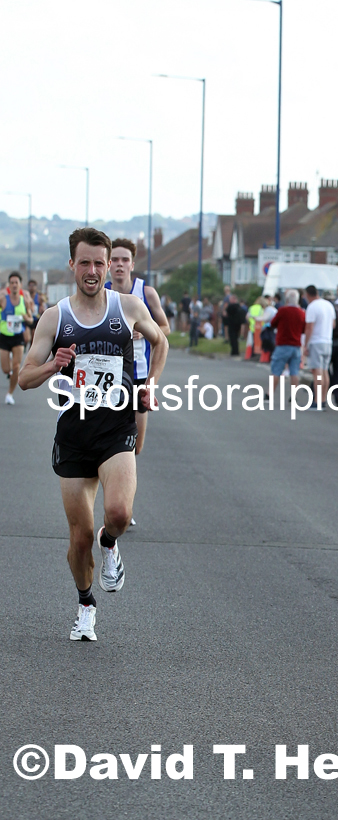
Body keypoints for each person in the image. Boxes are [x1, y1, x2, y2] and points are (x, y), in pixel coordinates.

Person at [19, 227, 168, 642]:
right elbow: (25, 378)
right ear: (72, 265)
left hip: (117, 426)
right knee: (78, 537)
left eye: (99, 263)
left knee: (118, 513)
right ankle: (85, 604)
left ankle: (111, 540)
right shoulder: (56, 317)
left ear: (109, 266)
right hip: (74, 433)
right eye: (84, 262)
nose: (92, 270)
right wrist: (53, 365)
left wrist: (150, 383)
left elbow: (162, 342)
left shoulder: (129, 307)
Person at [105, 238, 170, 456]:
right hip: (109, 374)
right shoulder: (100, 293)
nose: (119, 264)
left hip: (139, 373)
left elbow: (165, 328)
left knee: (136, 449)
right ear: (107, 264)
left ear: (132, 265)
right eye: (114, 260)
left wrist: (144, 331)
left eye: (125, 260)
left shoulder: (146, 292)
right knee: (106, 444)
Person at [0, 272, 33, 404]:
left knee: (16, 367)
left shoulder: (24, 301)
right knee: (6, 369)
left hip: (18, 336)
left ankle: (10, 393)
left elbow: (31, 320)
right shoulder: (3, 299)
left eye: (16, 283)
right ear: (9, 285)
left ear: (20, 285)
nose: (14, 285)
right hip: (4, 336)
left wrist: (26, 318)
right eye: (12, 283)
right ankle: (9, 369)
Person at [268, 289, 306, 398]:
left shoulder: (282, 311)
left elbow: (273, 323)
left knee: (276, 370)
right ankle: (294, 396)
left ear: (287, 299)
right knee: (294, 372)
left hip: (283, 344)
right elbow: (303, 329)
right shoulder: (301, 313)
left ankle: (269, 393)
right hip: (296, 345)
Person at [304, 285, 336, 410]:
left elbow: (309, 327)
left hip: (316, 341)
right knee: (324, 371)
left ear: (308, 295)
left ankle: (316, 401)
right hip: (328, 341)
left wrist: (306, 344)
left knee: (317, 372)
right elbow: (333, 324)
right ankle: (323, 399)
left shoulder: (312, 307)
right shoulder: (328, 305)